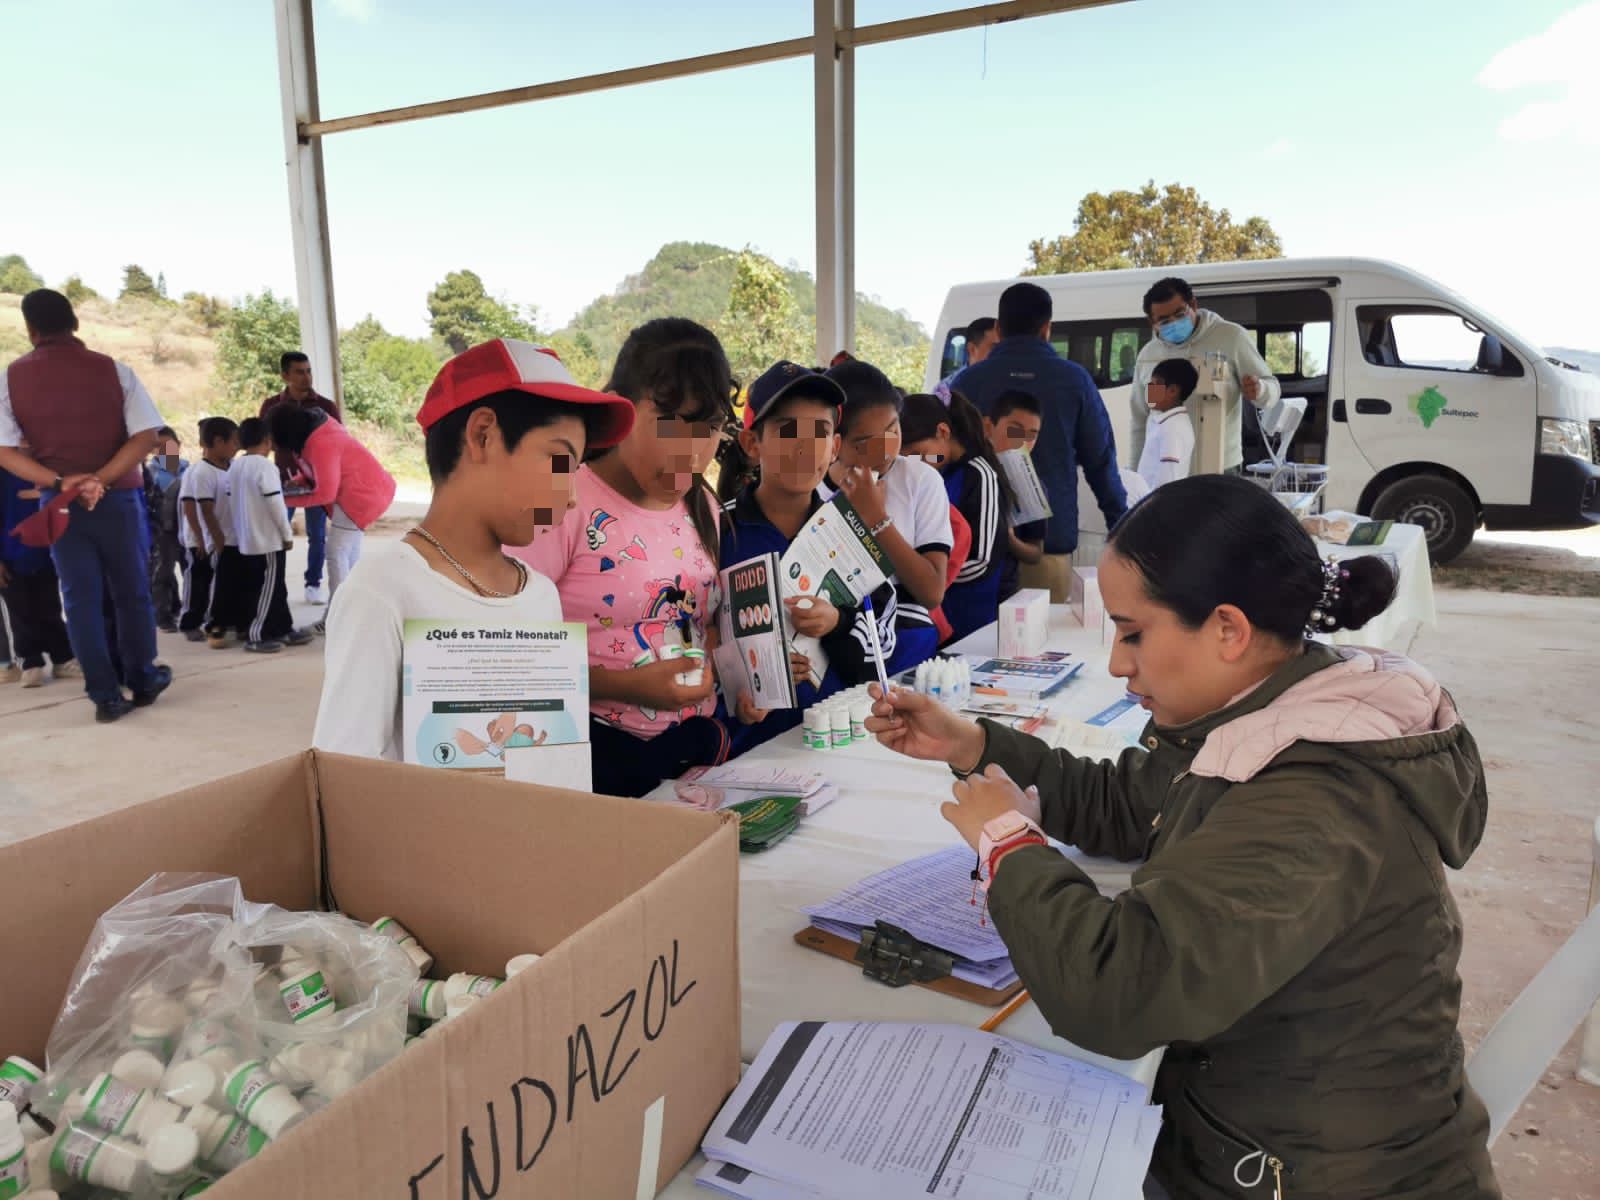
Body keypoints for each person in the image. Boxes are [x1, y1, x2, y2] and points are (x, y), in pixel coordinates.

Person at [866, 474, 1499, 1200]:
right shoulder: (1274, 703)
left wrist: (1008, 846)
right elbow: (1135, 803)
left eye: (1134, 633)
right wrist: (972, 743)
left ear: (1228, 629)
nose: (1117, 664)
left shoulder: (1314, 796)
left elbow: (1120, 990)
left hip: (1313, 1172)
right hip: (1267, 1129)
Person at [313, 337, 633, 761]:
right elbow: (342, 771)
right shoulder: (382, 590)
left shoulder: (540, 596)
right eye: (560, 463)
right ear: (483, 435)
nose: (572, 497)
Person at [512, 319, 734, 798]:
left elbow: (704, 624)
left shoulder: (705, 508)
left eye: (710, 428)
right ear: (621, 408)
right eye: (671, 423)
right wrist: (628, 687)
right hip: (597, 765)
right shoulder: (565, 503)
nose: (692, 453)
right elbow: (514, 661)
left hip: (695, 757)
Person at [0, 289, 171, 722]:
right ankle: (143, 677)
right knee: (132, 593)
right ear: (75, 322)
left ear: (30, 329)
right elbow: (148, 436)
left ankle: (104, 695)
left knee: (79, 600)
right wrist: (103, 479)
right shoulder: (115, 371)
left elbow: (4, 451)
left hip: (59, 505)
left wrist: (62, 482)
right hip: (120, 500)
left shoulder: (9, 378)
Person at [716, 361, 862, 753]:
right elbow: (697, 634)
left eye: (820, 431)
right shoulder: (715, 532)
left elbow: (881, 642)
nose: (804, 446)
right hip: (745, 751)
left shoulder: (850, 533)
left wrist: (835, 622)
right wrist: (742, 677)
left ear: (835, 447)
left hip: (838, 740)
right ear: (752, 444)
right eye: (786, 430)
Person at [950, 282, 1126, 600]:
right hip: (1049, 546)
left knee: (974, 646)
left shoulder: (968, 381)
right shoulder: (1075, 380)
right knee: (1041, 643)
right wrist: (1121, 525)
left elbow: (949, 459)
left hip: (976, 552)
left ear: (998, 329)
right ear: (1047, 329)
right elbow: (1101, 461)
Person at [820, 359, 951, 676]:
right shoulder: (814, 488)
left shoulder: (920, 480)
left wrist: (877, 520)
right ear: (835, 442)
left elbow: (931, 592)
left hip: (900, 650)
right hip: (827, 645)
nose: (885, 451)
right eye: (864, 442)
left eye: (893, 430)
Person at [1128, 276, 1281, 474]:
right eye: (1164, 320)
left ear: (1193, 304)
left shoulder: (1231, 337)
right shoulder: (1149, 357)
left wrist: (1260, 390)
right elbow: (1141, 418)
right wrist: (1134, 473)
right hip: (1167, 469)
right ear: (1152, 322)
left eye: (1179, 313)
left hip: (1220, 467)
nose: (1174, 322)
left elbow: (1273, 389)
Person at [900, 391, 1015, 644]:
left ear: (943, 432)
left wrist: (931, 577)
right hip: (933, 606)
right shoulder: (939, 471)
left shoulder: (979, 474)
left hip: (969, 610)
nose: (915, 466)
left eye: (919, 455)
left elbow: (982, 558)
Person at [267, 402, 396, 612]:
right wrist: (299, 481)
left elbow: (325, 493)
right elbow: (319, 470)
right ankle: (353, 611)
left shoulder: (321, 442)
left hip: (360, 497)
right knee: (349, 555)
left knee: (336, 552)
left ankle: (336, 615)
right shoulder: (309, 435)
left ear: (285, 431)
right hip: (364, 492)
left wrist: (285, 500)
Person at [260, 351, 340, 605]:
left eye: (308, 371)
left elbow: (338, 441)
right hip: (281, 482)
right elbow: (265, 442)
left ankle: (313, 583)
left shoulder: (326, 406)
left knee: (318, 535)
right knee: (276, 535)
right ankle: (274, 586)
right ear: (285, 375)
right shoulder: (270, 406)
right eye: (299, 372)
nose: (306, 377)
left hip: (317, 483)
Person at [230, 418, 313, 653]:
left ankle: (282, 627)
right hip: (267, 539)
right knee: (268, 588)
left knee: (273, 586)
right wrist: (286, 533)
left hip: (247, 538)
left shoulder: (236, 466)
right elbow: (275, 503)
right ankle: (257, 635)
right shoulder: (265, 467)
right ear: (268, 441)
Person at [0, 463, 78, 687]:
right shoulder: (4, 468)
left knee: (51, 606)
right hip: (11, 551)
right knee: (18, 610)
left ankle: (63, 659)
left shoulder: (47, 463)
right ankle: (29, 662)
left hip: (48, 549)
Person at [177, 417, 237, 643]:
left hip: (223, 536)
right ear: (218, 442)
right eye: (233, 442)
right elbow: (191, 508)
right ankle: (190, 621)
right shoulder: (198, 472)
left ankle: (217, 619)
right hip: (201, 538)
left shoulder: (231, 468)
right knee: (198, 580)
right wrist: (201, 539)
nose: (236, 447)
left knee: (219, 581)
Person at [983, 389, 1045, 600]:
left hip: (1003, 592)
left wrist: (1009, 539)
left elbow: (1035, 552)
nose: (1022, 442)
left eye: (1032, 436)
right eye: (1014, 431)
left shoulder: (1032, 485)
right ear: (988, 427)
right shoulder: (966, 470)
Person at [143, 425, 186, 632]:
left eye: (169, 445)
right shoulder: (150, 474)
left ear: (179, 445)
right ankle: (163, 616)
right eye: (159, 447)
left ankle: (192, 610)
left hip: (190, 533)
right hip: (163, 532)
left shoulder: (190, 470)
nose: (165, 451)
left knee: (193, 572)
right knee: (162, 574)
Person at [1137, 358, 1197, 492]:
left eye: (1156, 385)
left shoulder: (1172, 428)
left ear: (1173, 391)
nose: (1150, 390)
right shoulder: (1166, 422)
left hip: (1156, 506)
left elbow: (1166, 480)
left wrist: (1150, 507)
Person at [933, 316, 999, 402]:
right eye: (994, 348)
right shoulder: (945, 390)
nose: (1001, 352)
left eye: (1003, 347)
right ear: (972, 349)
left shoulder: (1007, 380)